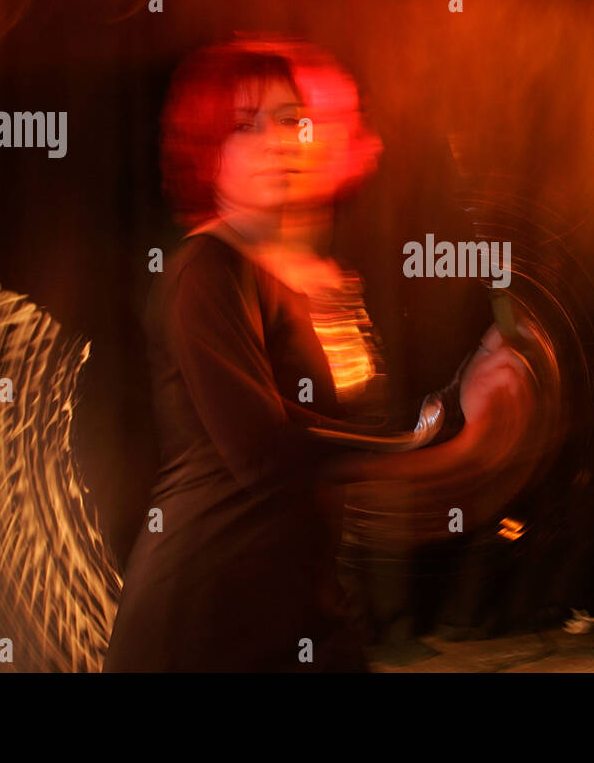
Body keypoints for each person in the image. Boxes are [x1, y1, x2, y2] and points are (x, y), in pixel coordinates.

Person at [101, 37, 534, 672]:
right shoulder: (207, 270)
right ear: (206, 153)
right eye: (244, 127)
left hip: (305, 618)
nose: (277, 140)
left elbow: (349, 445)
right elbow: (266, 451)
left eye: (290, 120)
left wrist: (466, 411)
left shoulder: (318, 282)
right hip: (204, 627)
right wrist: (435, 437)